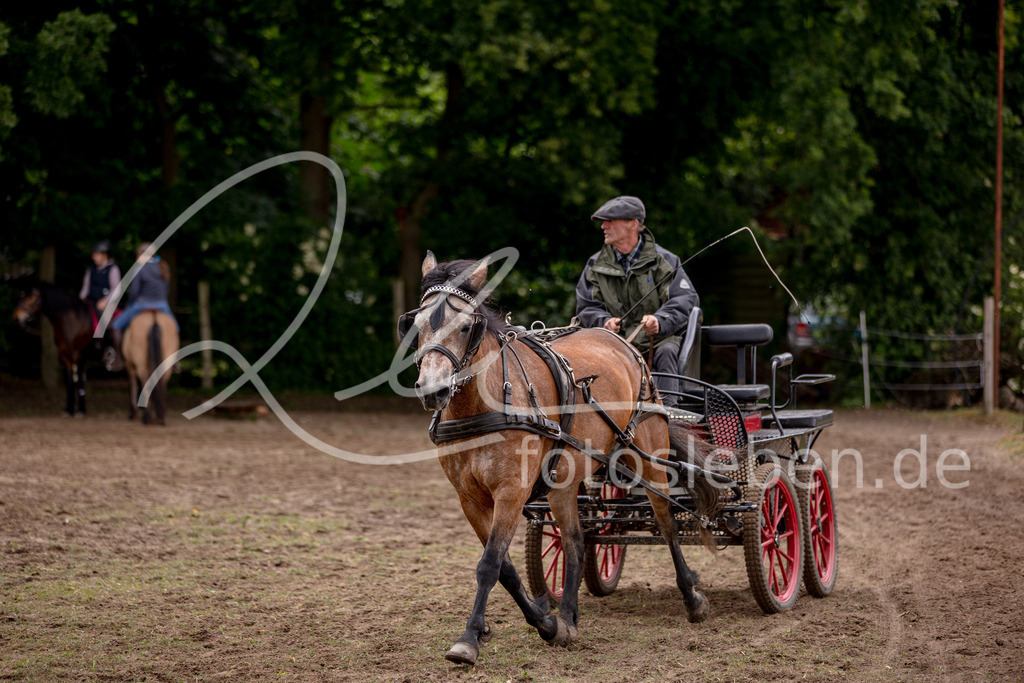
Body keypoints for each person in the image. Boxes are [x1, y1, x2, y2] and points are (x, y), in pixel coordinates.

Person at [575, 196, 698, 407]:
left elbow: (686, 298)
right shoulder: (595, 265)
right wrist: (603, 322)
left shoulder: (665, 261)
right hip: (616, 344)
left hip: (659, 341)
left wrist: (660, 320)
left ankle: (669, 416)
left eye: (610, 221)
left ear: (633, 224)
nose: (604, 226)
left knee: (667, 351)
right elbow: (586, 306)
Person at [109, 243, 178, 371]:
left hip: (141, 304)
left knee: (116, 326)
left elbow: (134, 291)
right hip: (161, 304)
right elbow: (166, 287)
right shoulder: (163, 266)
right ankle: (175, 361)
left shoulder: (139, 268)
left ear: (142, 255)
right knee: (175, 328)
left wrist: (129, 305)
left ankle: (117, 359)